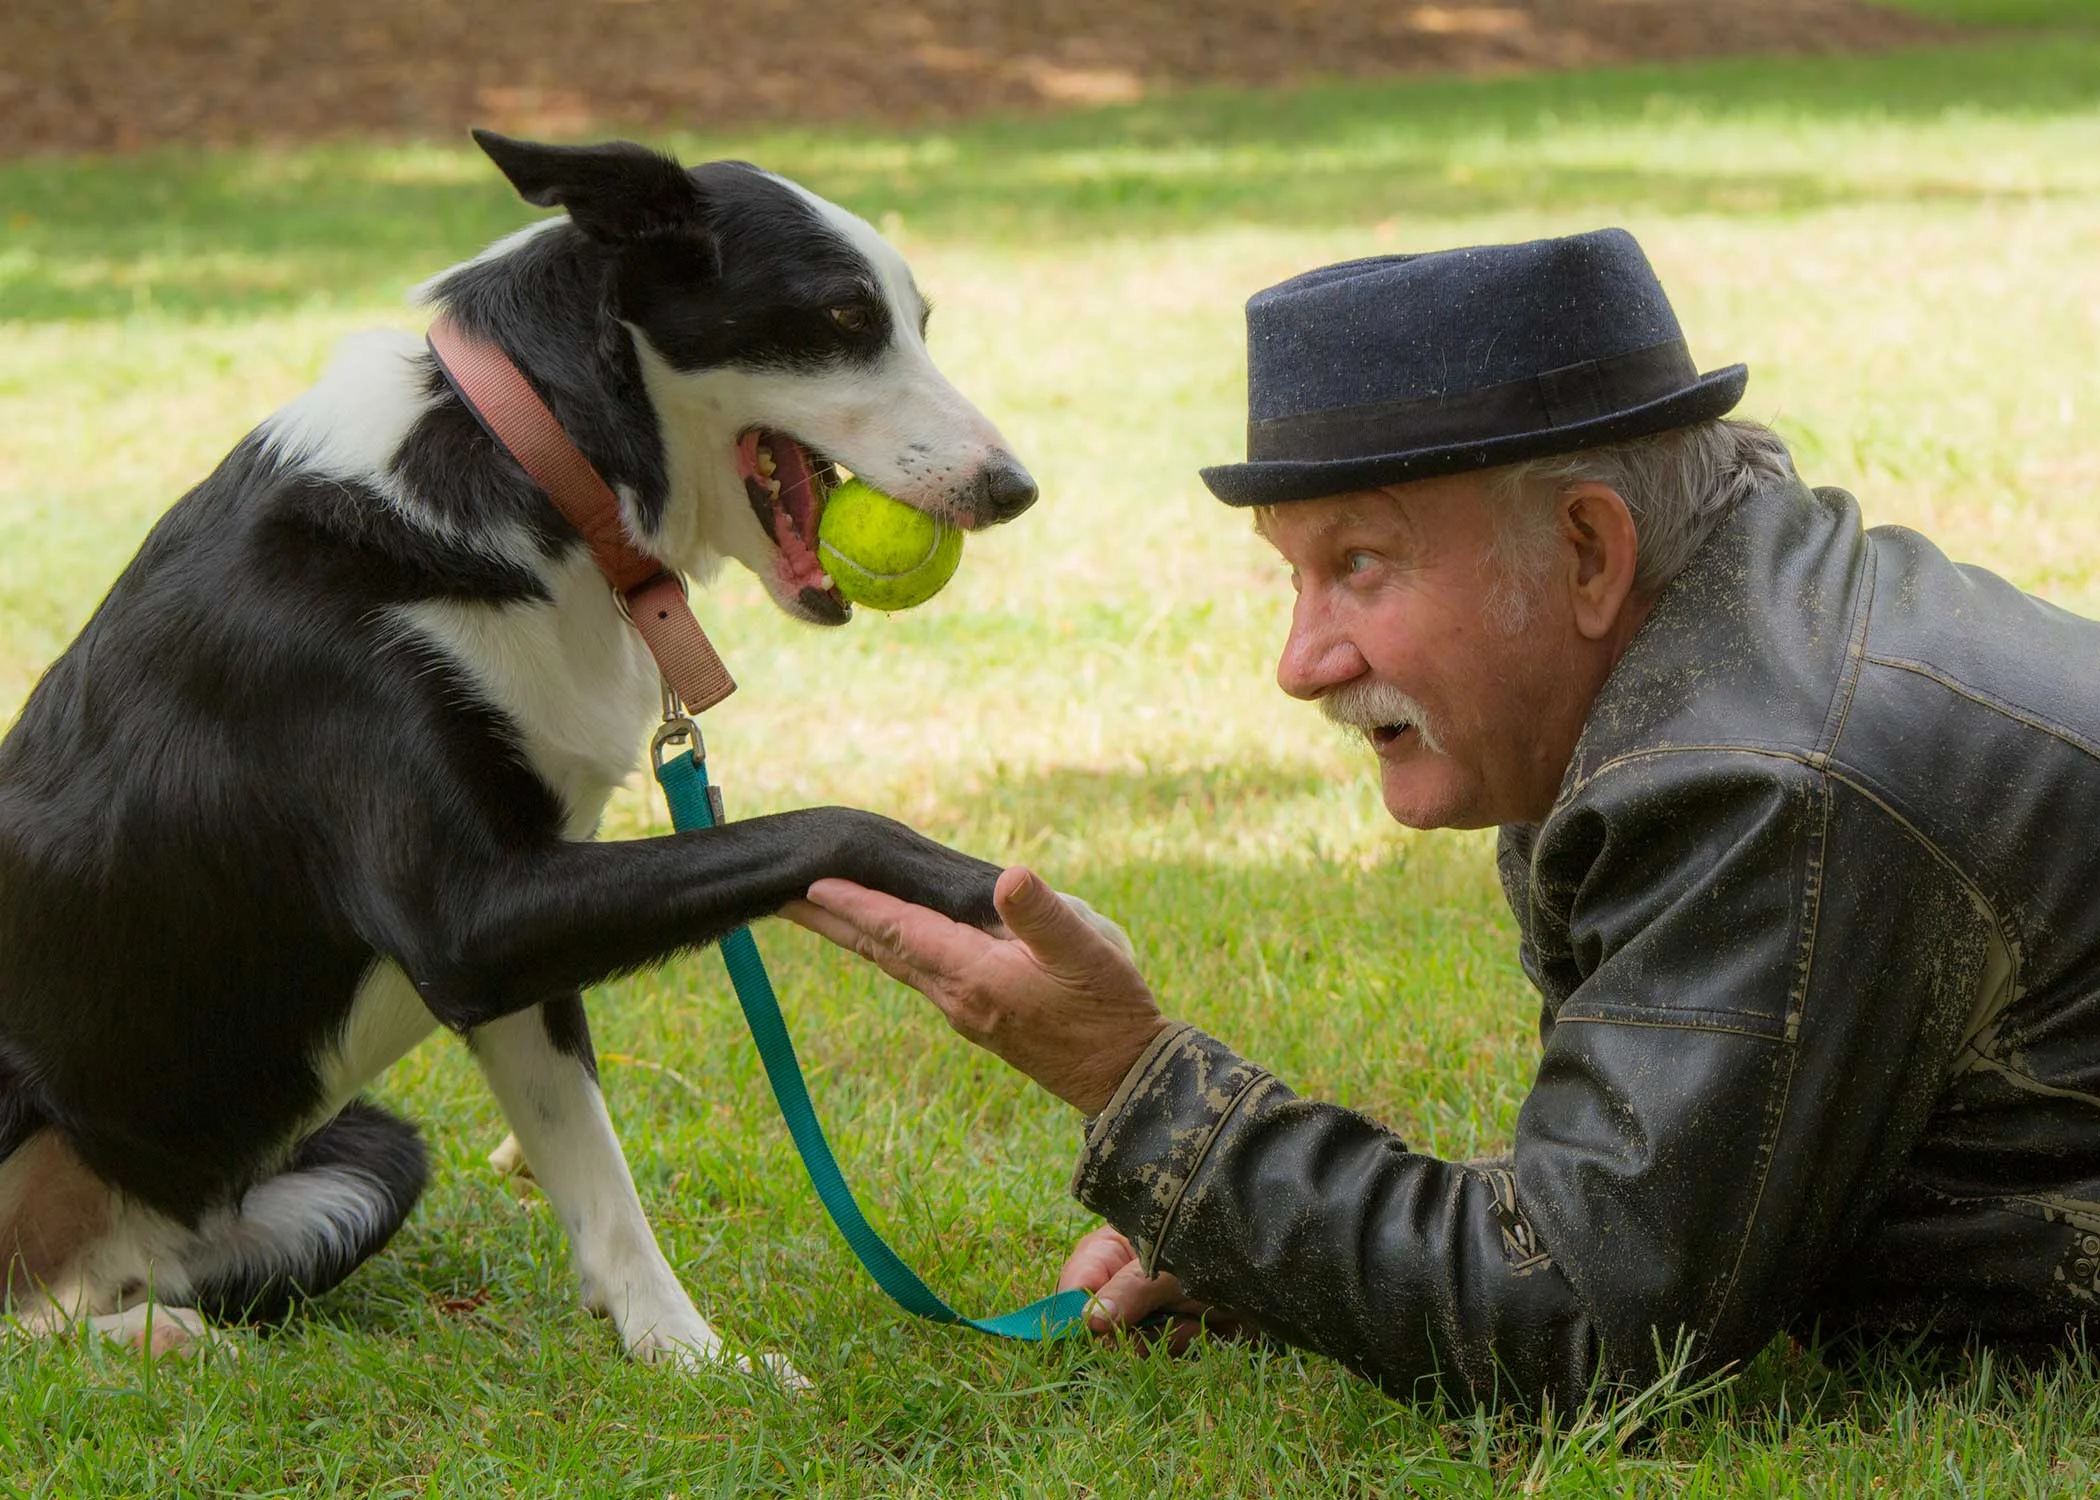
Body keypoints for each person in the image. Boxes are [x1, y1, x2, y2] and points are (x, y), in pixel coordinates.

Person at [787, 228, 2100, 1409]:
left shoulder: (1765, 779)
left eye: (1358, 566)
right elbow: (1648, 1192)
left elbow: (1586, 1324)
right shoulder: (1723, 647)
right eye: (1295, 578)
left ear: (1589, 550)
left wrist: (1140, 1088)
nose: (1300, 664)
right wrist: (1278, 1245)